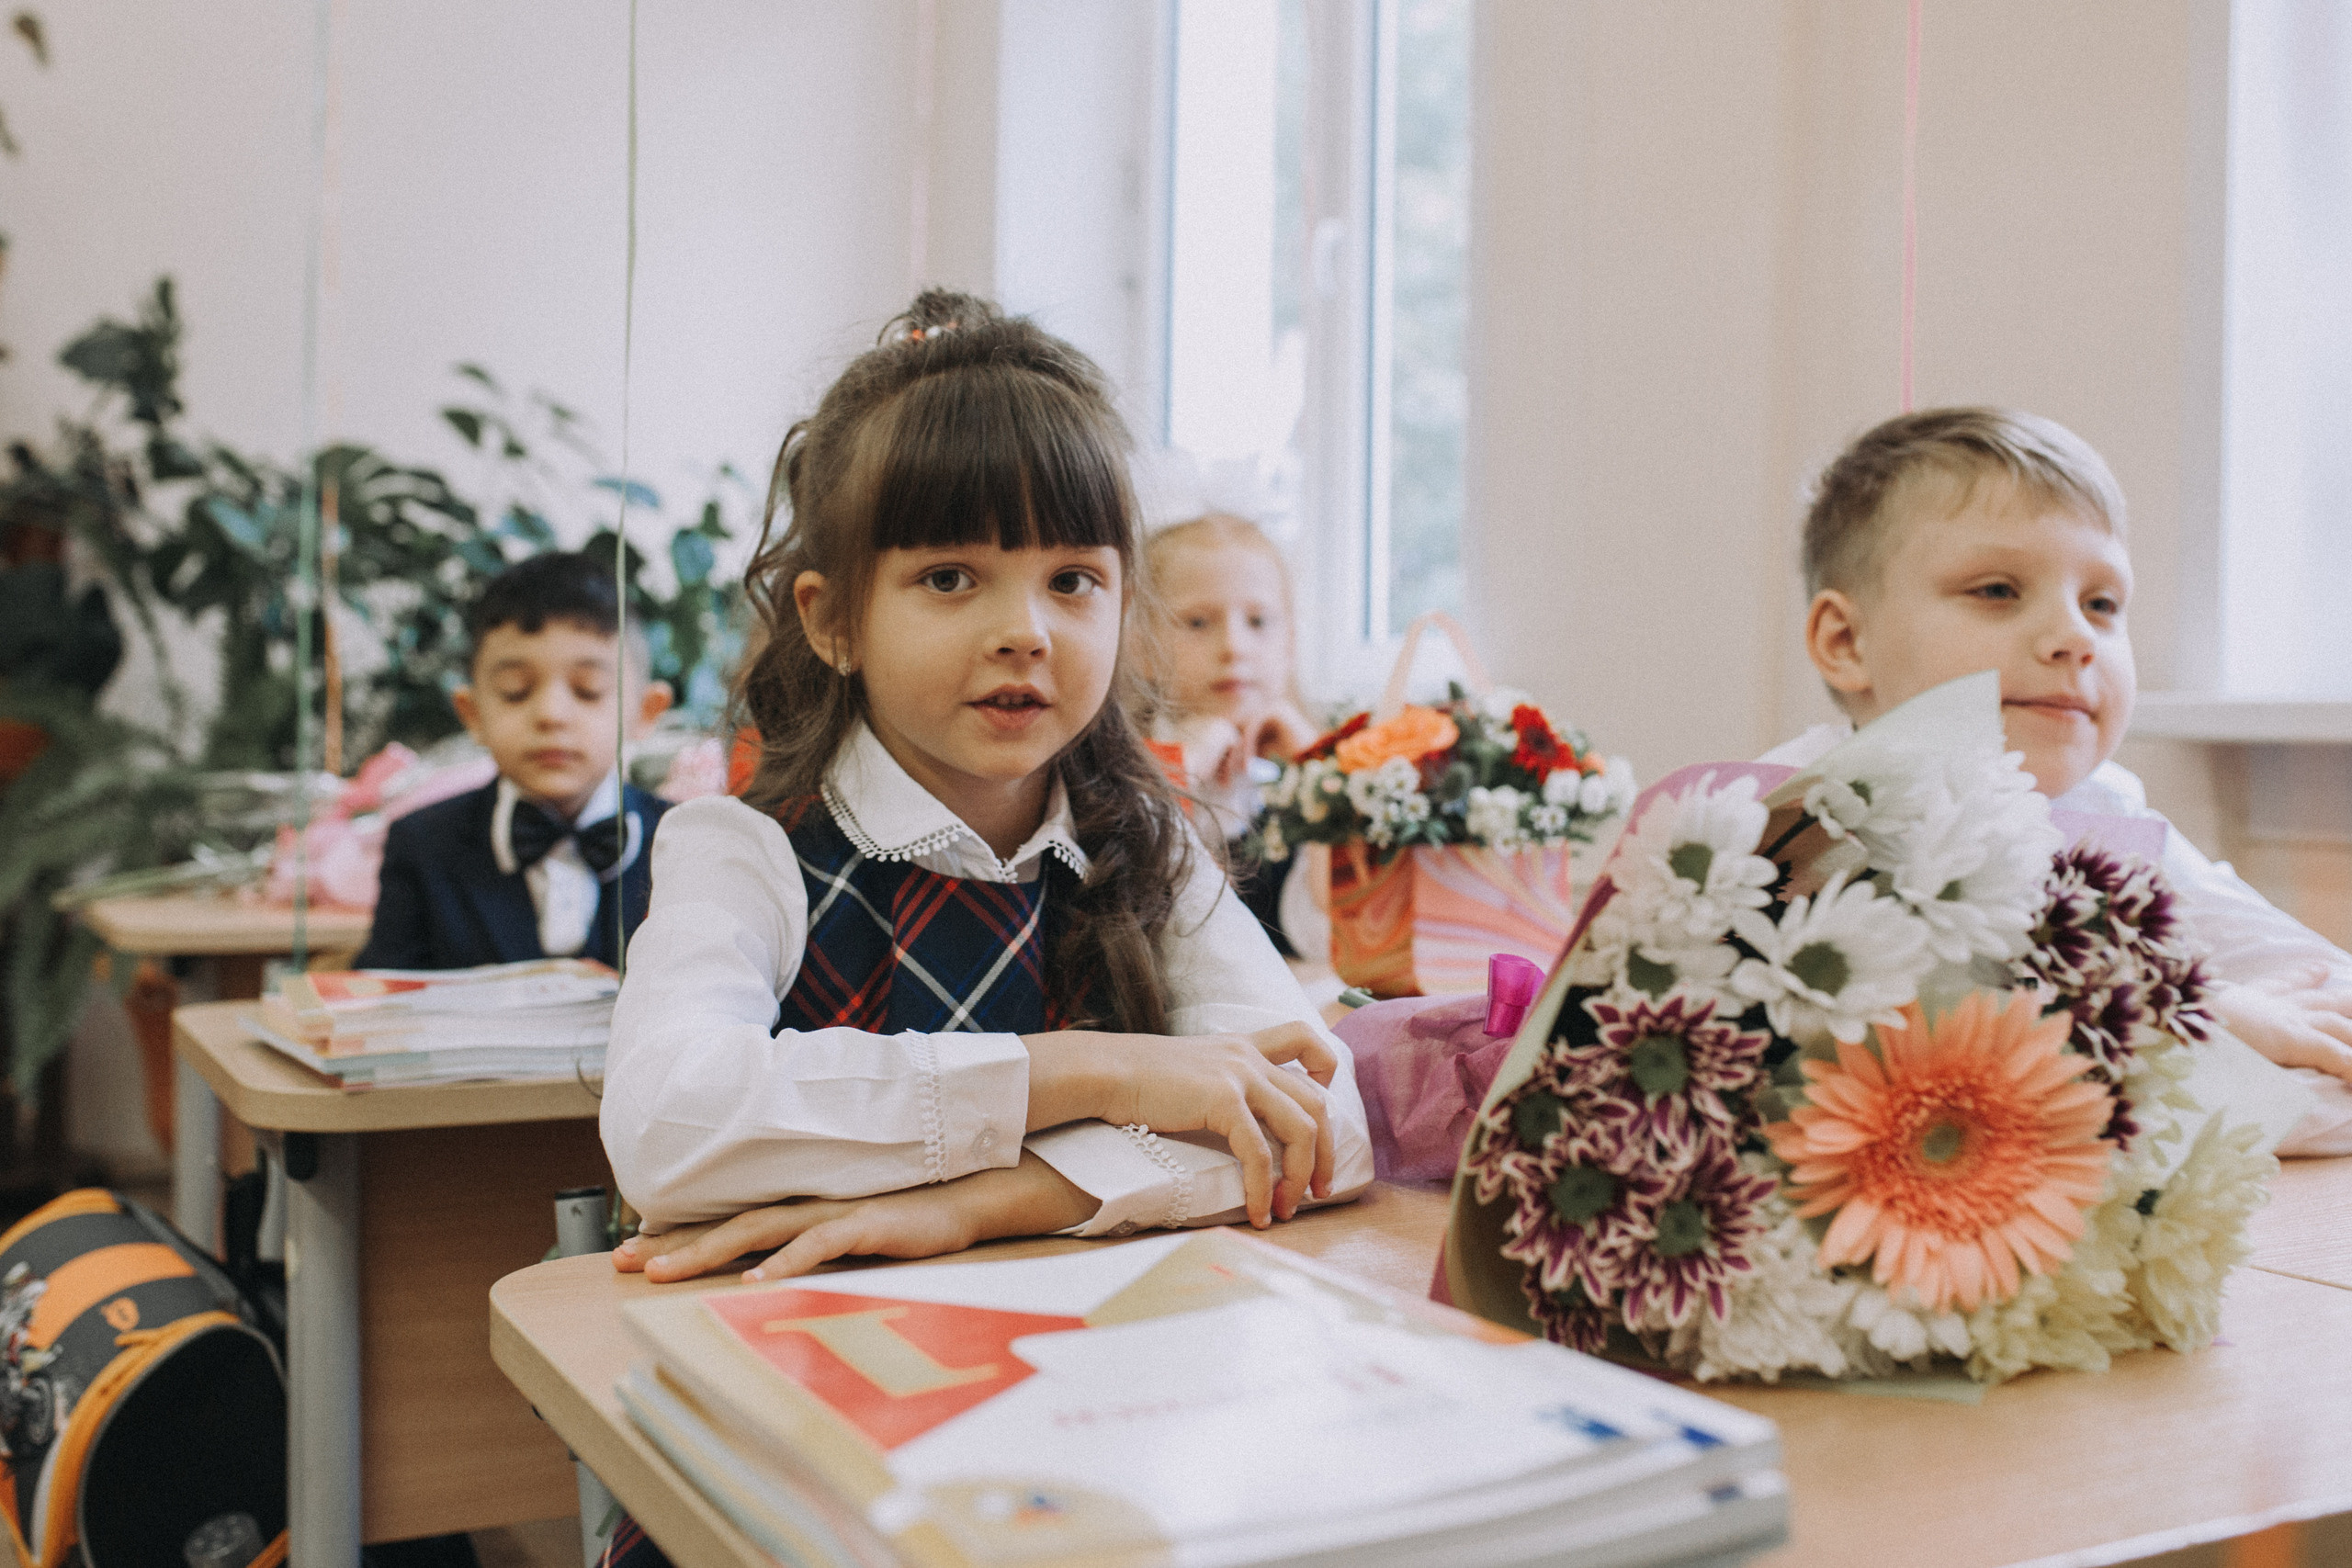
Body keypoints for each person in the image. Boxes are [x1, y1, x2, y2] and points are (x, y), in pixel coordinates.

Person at [601, 290, 1374, 1291]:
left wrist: (971, 1207)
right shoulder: (743, 850)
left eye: (1071, 580)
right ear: (832, 618)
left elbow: (1330, 1124)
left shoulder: (1148, 851)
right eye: (951, 578)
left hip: (1094, 1372)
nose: (1027, 632)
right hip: (798, 1361)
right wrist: (1102, 1073)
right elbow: (667, 1125)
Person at [1765, 406, 2352, 1149]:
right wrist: (2194, 1016)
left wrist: (2210, 1040)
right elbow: (1927, 1086)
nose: (2076, 636)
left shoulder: (2102, 812)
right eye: (1997, 590)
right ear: (1846, 641)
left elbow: (2319, 999)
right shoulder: (1795, 823)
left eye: (2102, 603)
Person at [355, 551, 673, 970]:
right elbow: (382, 1004)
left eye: (588, 689)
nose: (551, 715)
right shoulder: (422, 845)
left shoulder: (686, 843)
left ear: (646, 711)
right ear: (472, 714)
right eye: (515, 690)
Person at [1142, 513, 1318, 955]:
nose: (1234, 647)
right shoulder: (1129, 767)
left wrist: (1321, 769)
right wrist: (1186, 764)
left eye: (1258, 622)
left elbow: (1328, 941)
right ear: (1144, 646)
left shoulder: (1297, 772)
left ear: (1291, 643)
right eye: (1198, 623)